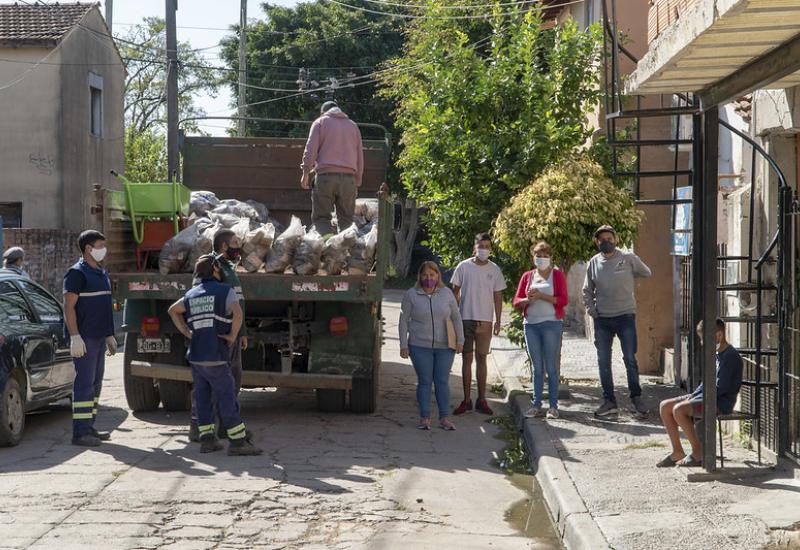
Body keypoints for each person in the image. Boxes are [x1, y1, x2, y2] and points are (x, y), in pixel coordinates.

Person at [168, 255, 262, 456]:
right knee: (227, 397)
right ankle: (237, 442)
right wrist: (232, 335)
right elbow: (238, 314)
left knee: (202, 397)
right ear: (215, 270)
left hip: (196, 357)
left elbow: (173, 310)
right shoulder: (224, 291)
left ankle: (208, 441)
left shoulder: (192, 294)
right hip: (217, 355)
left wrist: (186, 331)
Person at [582, 225, 652, 418]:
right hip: (602, 319)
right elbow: (586, 290)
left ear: (616, 239)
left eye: (609, 238)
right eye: (602, 239)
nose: (606, 241)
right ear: (597, 242)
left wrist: (631, 270)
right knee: (603, 361)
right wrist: (592, 310)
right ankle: (609, 401)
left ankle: (636, 398)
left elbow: (646, 272)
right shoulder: (593, 263)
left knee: (630, 359)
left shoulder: (628, 258)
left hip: (625, 317)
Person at [657, 319, 743, 467]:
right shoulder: (717, 355)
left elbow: (719, 388)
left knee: (679, 410)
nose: (703, 342)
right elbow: (705, 383)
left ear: (719, 335)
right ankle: (677, 451)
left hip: (719, 402)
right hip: (705, 397)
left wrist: (691, 400)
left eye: (704, 338)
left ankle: (698, 452)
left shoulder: (730, 357)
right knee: (665, 406)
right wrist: (692, 396)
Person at [189, 228, 248, 442]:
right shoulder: (210, 267)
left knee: (232, 382)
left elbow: (238, 303)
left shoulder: (228, 268)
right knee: (211, 386)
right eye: (234, 242)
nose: (238, 246)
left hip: (230, 334)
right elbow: (199, 300)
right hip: (218, 336)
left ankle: (226, 426)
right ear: (224, 246)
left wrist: (241, 333)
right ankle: (201, 428)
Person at [63, 230, 116, 447]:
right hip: (85, 339)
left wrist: (110, 334)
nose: (104, 249)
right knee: (84, 385)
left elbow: (103, 306)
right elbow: (68, 306)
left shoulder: (100, 272)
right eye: (100, 245)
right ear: (88, 248)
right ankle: (80, 432)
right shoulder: (76, 273)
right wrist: (75, 336)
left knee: (95, 383)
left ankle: (89, 425)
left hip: (99, 336)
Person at [399, 261, 464, 430]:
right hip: (419, 346)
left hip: (445, 347)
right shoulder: (411, 295)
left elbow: (456, 317)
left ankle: (444, 418)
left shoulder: (447, 293)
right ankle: (425, 418)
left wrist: (460, 340)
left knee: (442, 381)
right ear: (420, 276)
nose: (429, 278)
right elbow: (403, 320)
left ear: (438, 276)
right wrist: (403, 344)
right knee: (425, 381)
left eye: (432, 275)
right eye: (425, 275)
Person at [451, 233, 507, 416]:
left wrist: (498, 320)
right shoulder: (463, 267)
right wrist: (454, 317)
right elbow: (454, 293)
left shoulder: (495, 270)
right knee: (467, 359)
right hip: (465, 319)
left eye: (487, 246)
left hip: (485, 321)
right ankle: (466, 400)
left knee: (482, 359)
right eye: (480, 245)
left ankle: (481, 400)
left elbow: (498, 297)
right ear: (474, 247)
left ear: (491, 249)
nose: (483, 249)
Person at [512, 242, 568, 420]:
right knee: (537, 368)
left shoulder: (557, 275)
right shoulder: (528, 276)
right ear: (533, 256)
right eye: (538, 254)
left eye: (544, 254)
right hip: (531, 325)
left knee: (550, 367)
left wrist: (542, 296)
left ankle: (553, 406)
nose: (541, 257)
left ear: (550, 257)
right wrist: (526, 300)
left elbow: (563, 300)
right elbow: (516, 301)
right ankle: (536, 405)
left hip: (551, 324)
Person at [300, 100, 364, 236]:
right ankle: (345, 254)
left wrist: (305, 173)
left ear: (324, 112)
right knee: (346, 221)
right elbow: (360, 157)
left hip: (325, 178)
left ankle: (327, 250)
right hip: (348, 181)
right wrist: (356, 183)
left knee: (322, 219)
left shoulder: (320, 122)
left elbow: (310, 150)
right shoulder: (353, 126)